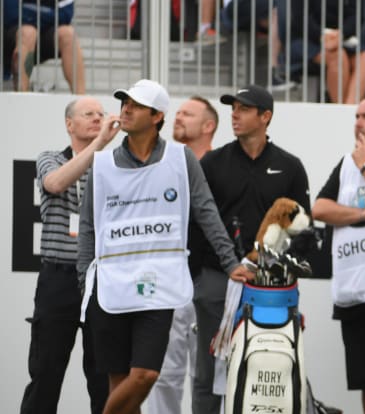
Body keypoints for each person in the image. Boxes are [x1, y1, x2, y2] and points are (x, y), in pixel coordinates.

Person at [76, 80, 253, 414]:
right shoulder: (102, 163)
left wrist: (230, 263)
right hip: (111, 286)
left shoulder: (180, 158)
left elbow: (206, 211)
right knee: (120, 382)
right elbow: (88, 227)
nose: (126, 109)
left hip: (156, 287)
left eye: (136, 105)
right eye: (124, 102)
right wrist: (85, 281)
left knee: (145, 375)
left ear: (157, 116)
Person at [192, 84, 311, 414]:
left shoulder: (290, 166)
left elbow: (303, 228)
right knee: (208, 371)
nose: (235, 115)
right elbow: (197, 224)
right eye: (233, 108)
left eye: (243, 109)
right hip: (217, 280)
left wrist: (276, 264)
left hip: (272, 287)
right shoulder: (213, 163)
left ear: (265, 116)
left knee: (267, 366)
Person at [20, 98, 114, 414]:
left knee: (103, 378)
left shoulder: (115, 163)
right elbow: (56, 183)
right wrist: (99, 144)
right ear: (69, 124)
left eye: (101, 114)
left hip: (101, 279)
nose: (98, 119)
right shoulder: (51, 158)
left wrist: (104, 149)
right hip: (58, 278)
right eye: (89, 114)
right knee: (45, 373)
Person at [312, 94, 365, 414]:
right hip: (352, 292)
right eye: (357, 116)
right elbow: (320, 208)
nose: (358, 123)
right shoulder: (347, 162)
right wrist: (361, 215)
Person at [146, 96, 220, 414]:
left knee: (208, 376)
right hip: (166, 286)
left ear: (209, 125)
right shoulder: (160, 165)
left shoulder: (223, 168)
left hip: (210, 285)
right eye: (177, 112)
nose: (178, 117)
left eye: (187, 113)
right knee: (162, 377)